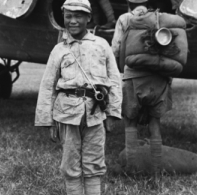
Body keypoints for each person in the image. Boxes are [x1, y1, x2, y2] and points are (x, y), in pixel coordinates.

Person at [35, 0, 122, 194]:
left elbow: (114, 80)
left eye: (78, 16)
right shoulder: (59, 50)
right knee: (70, 165)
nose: (73, 21)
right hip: (67, 114)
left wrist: (113, 113)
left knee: (94, 164)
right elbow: (48, 86)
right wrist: (47, 120)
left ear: (89, 17)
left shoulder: (102, 45)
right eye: (68, 16)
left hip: (96, 114)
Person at [112, 0, 173, 176]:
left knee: (130, 122)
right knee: (155, 123)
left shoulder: (125, 18)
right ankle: (155, 171)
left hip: (133, 77)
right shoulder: (161, 19)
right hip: (158, 78)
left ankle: (131, 169)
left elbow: (115, 48)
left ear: (128, 3)